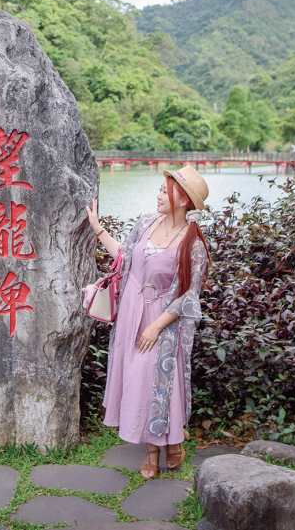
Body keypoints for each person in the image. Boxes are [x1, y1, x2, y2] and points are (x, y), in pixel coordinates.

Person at [86, 165, 211, 479]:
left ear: (183, 201)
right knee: (137, 380)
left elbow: (189, 295)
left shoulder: (192, 244)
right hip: (131, 312)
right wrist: (98, 229)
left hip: (161, 320)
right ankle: (162, 446)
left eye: (165, 190)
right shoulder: (145, 223)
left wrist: (157, 326)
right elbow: (125, 259)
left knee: (154, 382)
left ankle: (158, 450)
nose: (158, 195)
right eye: (159, 189)